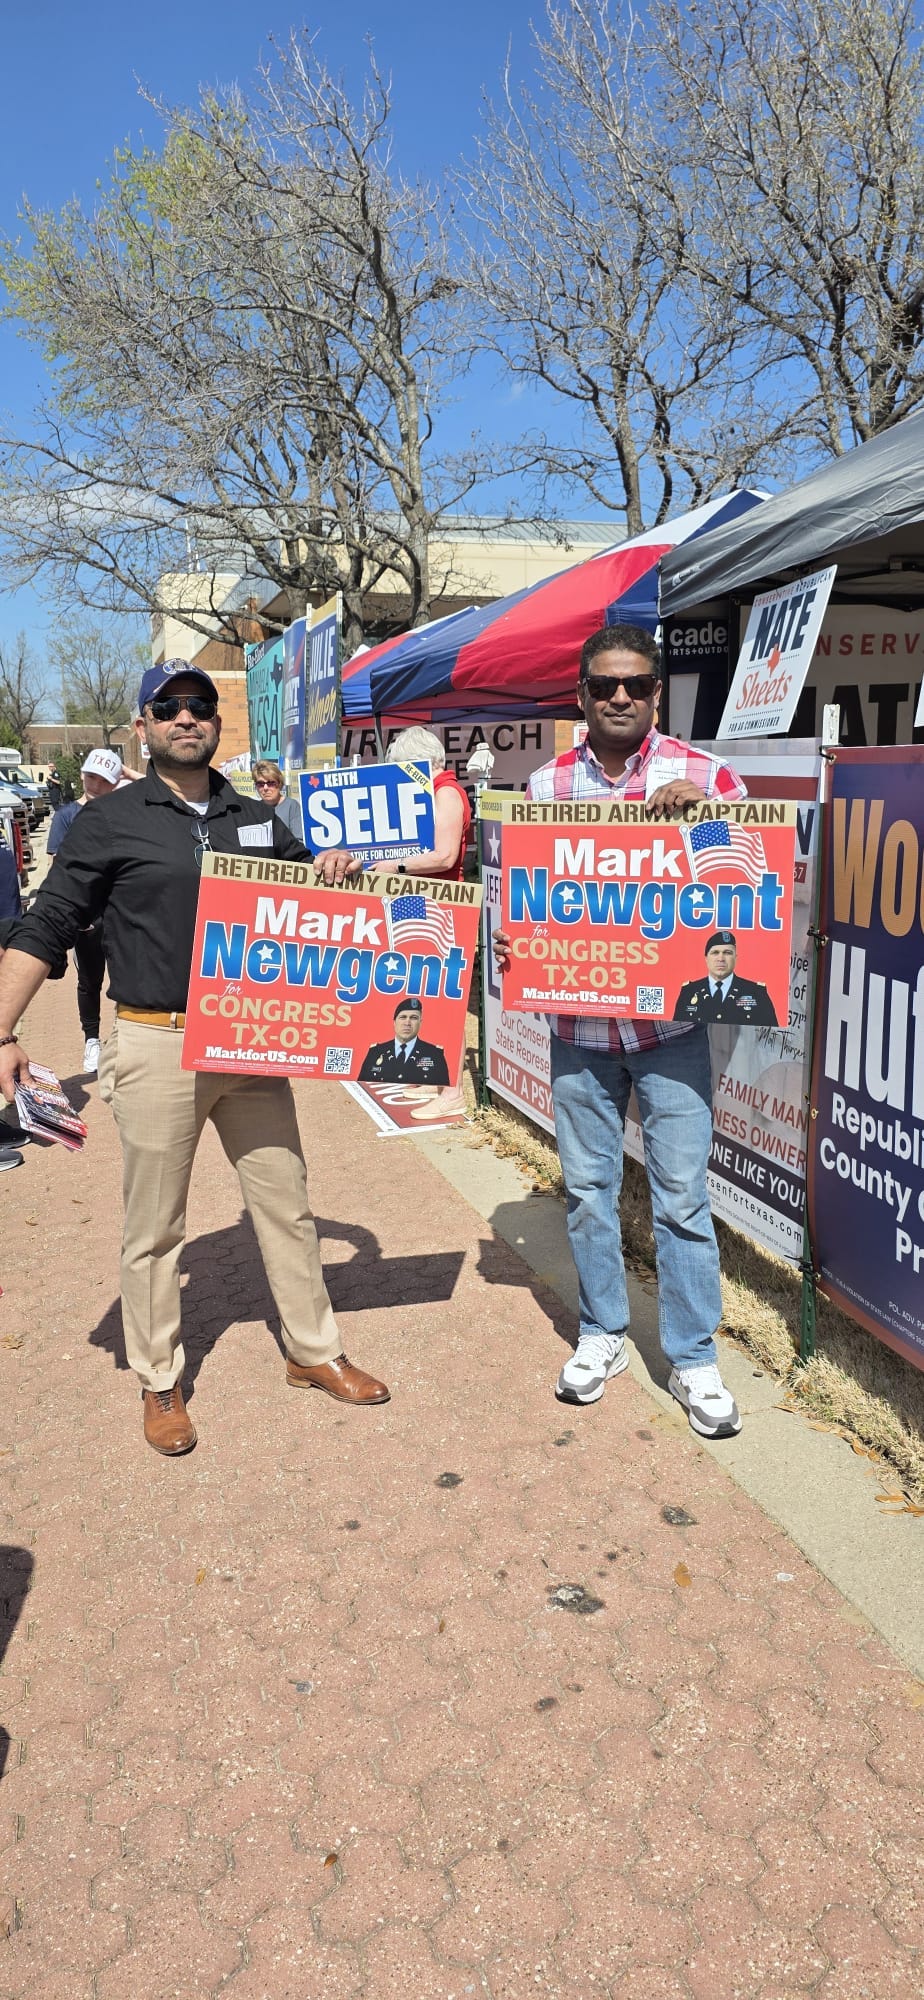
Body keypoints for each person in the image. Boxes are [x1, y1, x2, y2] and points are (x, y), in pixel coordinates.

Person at [0, 661, 388, 1456]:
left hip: (251, 1037)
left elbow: (309, 906)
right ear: (143, 725)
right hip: (157, 1039)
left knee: (286, 1202)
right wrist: (2, 1030)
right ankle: (159, 1378)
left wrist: (334, 872)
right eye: (169, 707)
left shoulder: (255, 815)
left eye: (201, 706)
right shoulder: (111, 819)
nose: (187, 717)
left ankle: (313, 1350)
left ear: (216, 722)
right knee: (155, 1225)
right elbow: (47, 923)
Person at [493, 623, 747, 1440]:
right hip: (579, 1032)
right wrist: (511, 937)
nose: (621, 697)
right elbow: (522, 900)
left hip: (671, 1032)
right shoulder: (546, 786)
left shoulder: (704, 775)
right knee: (588, 1195)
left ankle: (693, 1356)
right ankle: (603, 1332)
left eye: (636, 684)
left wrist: (702, 821)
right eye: (605, 685)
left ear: (656, 693)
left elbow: (752, 877)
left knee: (683, 1201)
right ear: (582, 694)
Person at [384, 726, 472, 1119]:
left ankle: (451, 1091)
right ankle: (429, 1075)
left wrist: (395, 866)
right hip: (424, 904)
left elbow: (444, 856)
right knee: (423, 998)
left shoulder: (446, 793)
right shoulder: (433, 792)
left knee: (443, 1002)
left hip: (445, 908)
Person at [47, 748, 124, 1072]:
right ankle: (92, 1039)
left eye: (104, 779)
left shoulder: (125, 814)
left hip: (121, 912)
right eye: (91, 776)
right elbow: (58, 865)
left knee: (127, 978)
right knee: (90, 980)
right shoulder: (66, 815)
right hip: (88, 916)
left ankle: (124, 1038)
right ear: (82, 775)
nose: (95, 784)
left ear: (115, 782)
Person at [673, 930, 779, 1027]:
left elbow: (770, 1036)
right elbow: (678, 1033)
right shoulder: (689, 992)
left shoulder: (756, 993)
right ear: (706, 958)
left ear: (735, 958)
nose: (721, 958)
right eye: (715, 953)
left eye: (727, 953)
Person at [358, 999, 451, 1085]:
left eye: (413, 1018)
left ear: (420, 1023)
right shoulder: (375, 1052)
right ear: (394, 1022)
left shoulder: (434, 1054)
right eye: (403, 1017)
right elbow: (361, 1088)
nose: (407, 1023)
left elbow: (443, 1092)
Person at [252, 759, 304, 839]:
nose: (265, 788)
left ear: (279, 784)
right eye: (260, 784)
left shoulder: (291, 806)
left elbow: (299, 839)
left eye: (271, 783)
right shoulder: (255, 809)